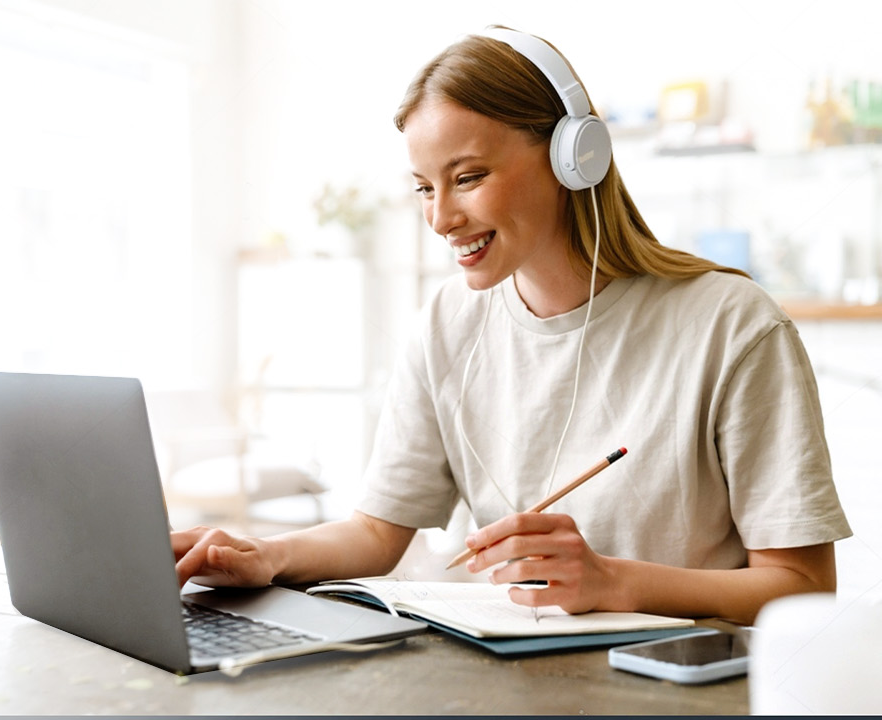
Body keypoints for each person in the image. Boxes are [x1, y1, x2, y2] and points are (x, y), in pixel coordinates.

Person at [172, 27, 851, 624]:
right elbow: (378, 533)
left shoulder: (732, 326)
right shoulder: (444, 323)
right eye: (423, 188)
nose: (439, 218)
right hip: (489, 670)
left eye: (467, 177)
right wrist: (264, 554)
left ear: (571, 159)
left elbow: (802, 586)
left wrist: (614, 581)